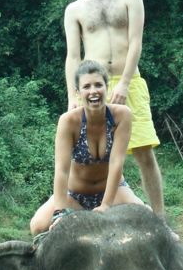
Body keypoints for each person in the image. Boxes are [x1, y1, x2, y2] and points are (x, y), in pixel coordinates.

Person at [64, 0, 165, 215]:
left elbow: (136, 43)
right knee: (94, 158)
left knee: (144, 153)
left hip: (128, 83)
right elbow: (73, 57)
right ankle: (96, 214)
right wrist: (73, 96)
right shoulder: (74, 9)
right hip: (93, 90)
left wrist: (124, 83)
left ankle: (160, 220)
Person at [30, 60, 145, 235]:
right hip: (75, 195)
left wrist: (106, 205)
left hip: (114, 193)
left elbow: (116, 163)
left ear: (107, 87)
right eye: (86, 86)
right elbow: (61, 170)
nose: (93, 91)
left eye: (98, 85)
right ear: (78, 92)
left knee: (149, 219)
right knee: (37, 226)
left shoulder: (122, 115)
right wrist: (60, 212)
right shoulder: (68, 121)